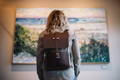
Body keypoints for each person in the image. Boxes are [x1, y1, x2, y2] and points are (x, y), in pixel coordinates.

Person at [36, 10, 81, 80]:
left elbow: (39, 58)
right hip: (68, 73)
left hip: (48, 74)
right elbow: (77, 57)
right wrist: (76, 73)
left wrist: (40, 75)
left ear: (49, 20)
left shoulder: (42, 35)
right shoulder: (71, 34)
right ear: (64, 19)